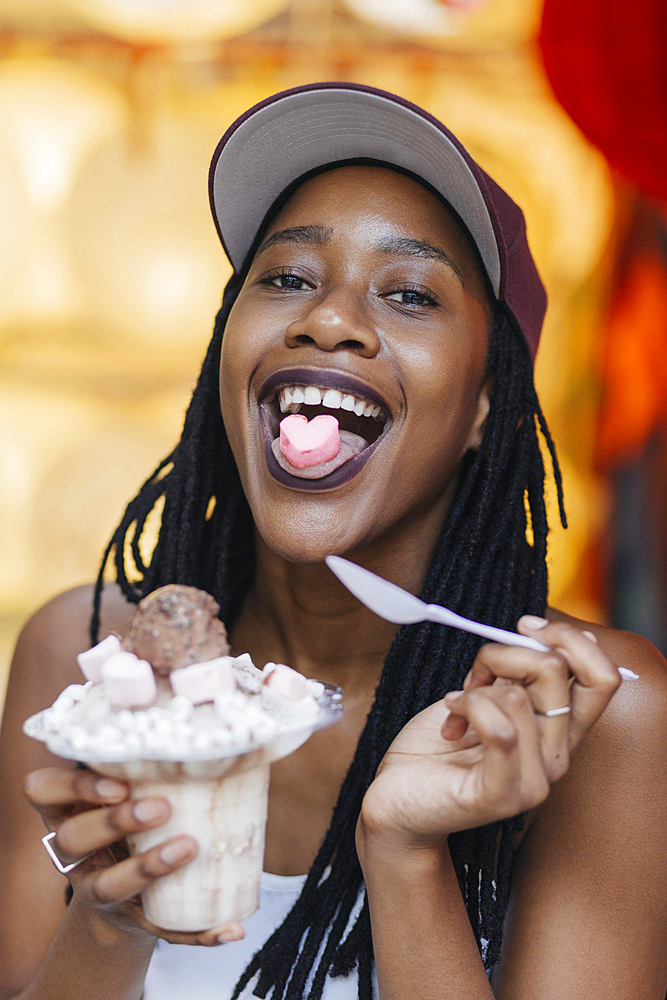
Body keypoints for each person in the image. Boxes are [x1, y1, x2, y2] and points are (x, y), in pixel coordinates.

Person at [1, 82, 667, 1000]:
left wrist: (404, 854)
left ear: (482, 406)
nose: (329, 318)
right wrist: (111, 925)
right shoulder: (80, 660)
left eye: (408, 293)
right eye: (284, 278)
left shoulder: (597, 722)